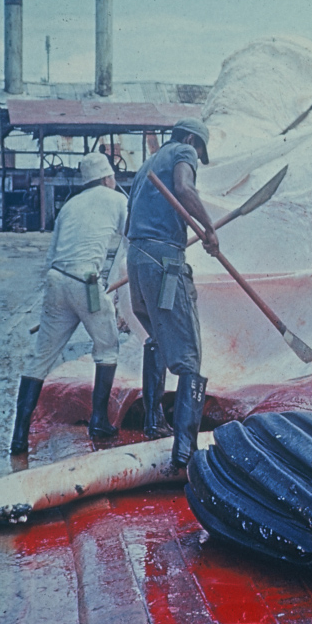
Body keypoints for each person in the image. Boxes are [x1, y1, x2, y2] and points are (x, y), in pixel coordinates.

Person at [10, 152, 127, 454]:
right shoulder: (116, 200)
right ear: (106, 177)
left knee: (41, 358)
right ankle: (99, 420)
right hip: (86, 282)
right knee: (107, 347)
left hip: (56, 279)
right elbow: (131, 240)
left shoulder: (71, 205)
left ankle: (18, 438)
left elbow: (51, 257)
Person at [126, 118, 219, 469]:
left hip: (137, 260)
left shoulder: (147, 165)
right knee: (189, 356)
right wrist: (208, 229)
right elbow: (184, 188)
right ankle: (184, 452)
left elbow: (128, 221)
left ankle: (153, 421)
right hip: (164, 262)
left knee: (158, 339)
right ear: (192, 140)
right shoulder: (182, 151)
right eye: (199, 151)